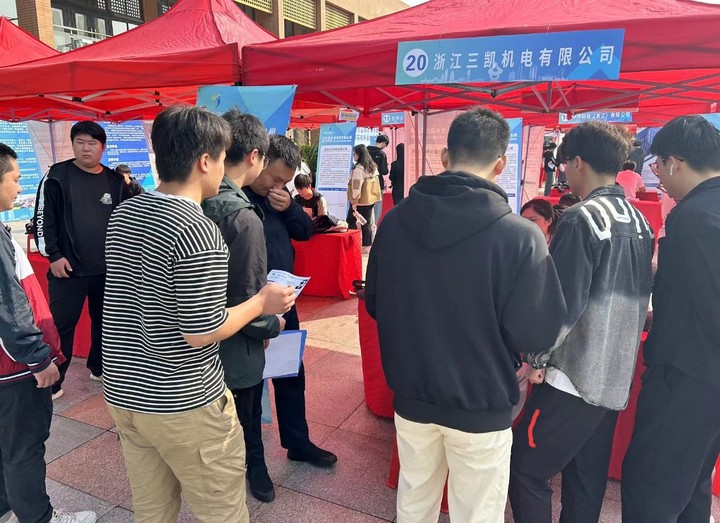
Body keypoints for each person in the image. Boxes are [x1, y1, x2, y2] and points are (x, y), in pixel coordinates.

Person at [365, 107, 568, 523]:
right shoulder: (521, 236)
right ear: (501, 164)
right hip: (482, 402)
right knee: (476, 513)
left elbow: (375, 304)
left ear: (445, 157)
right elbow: (538, 332)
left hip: (413, 396)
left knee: (413, 503)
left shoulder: (394, 221)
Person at [102, 106, 296, 523]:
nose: (225, 168)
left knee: (152, 508)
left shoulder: (125, 212)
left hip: (124, 392)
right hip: (181, 399)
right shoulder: (196, 228)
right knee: (222, 511)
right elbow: (202, 330)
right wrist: (261, 303)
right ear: (205, 161)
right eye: (223, 158)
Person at [510, 121, 655, 523]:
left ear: (577, 163)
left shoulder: (580, 218)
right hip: (614, 376)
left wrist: (536, 358)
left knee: (525, 469)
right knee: (585, 481)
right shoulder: (640, 221)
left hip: (573, 375)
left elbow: (562, 304)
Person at [622, 115, 720, 523]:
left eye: (658, 165)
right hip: (707, 382)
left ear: (674, 163)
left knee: (652, 487)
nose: (658, 175)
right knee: (692, 485)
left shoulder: (694, 217)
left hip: (686, 377)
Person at [0, 143, 96, 523]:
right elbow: (10, 306)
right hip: (14, 368)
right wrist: (38, 359)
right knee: (25, 447)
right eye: (14, 179)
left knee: (8, 444)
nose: (19, 187)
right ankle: (39, 518)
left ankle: (6, 507)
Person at [201, 109, 283, 504]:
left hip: (192, 349)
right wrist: (271, 324)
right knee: (245, 417)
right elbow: (247, 295)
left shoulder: (189, 200)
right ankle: (254, 470)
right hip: (234, 345)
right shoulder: (242, 217)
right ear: (254, 156)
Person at [244, 135, 338, 470]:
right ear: (257, 161)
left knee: (290, 373)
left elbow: (305, 232)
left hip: (285, 298)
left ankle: (298, 442)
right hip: (250, 304)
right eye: (274, 178)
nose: (277, 186)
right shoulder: (237, 198)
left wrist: (291, 208)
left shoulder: (280, 198)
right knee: (251, 384)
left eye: (284, 181)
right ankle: (253, 459)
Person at [33, 121, 134, 400]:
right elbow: (43, 219)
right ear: (73, 144)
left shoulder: (115, 180)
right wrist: (53, 255)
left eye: (92, 143)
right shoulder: (57, 176)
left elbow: (129, 218)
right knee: (62, 325)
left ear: (103, 147)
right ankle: (54, 381)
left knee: (106, 322)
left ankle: (100, 368)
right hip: (68, 269)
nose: (86, 148)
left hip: (108, 269)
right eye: (80, 142)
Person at [347, 144, 381, 251]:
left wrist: (354, 201)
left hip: (360, 200)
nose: (353, 156)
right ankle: (367, 245)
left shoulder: (358, 169)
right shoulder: (372, 167)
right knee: (366, 222)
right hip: (370, 199)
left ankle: (354, 242)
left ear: (359, 154)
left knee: (351, 220)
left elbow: (356, 187)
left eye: (355, 154)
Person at [367, 133, 389, 224]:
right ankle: (374, 225)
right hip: (378, 183)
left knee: (367, 205)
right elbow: (384, 171)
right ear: (383, 143)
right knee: (377, 207)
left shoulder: (366, 151)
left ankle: (366, 225)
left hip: (366, 182)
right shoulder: (381, 154)